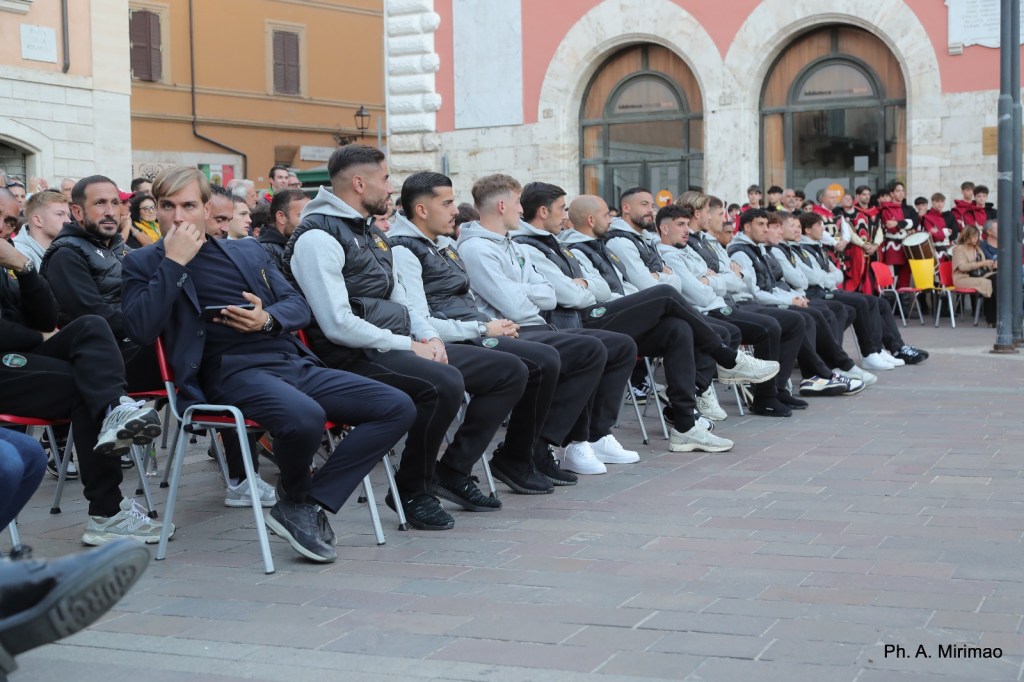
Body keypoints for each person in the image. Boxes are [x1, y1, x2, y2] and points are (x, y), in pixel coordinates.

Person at [121, 165, 415, 563]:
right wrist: (173, 263)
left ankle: (305, 504)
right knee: (305, 417)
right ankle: (297, 500)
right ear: (154, 209)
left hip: (289, 361)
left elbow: (297, 304)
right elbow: (140, 328)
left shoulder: (246, 249)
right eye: (167, 206)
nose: (178, 216)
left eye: (188, 205)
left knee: (395, 406)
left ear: (206, 209)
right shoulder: (143, 262)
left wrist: (268, 319)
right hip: (227, 371)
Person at [283, 146, 527, 529]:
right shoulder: (318, 238)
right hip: (346, 354)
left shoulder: (371, 235)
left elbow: (404, 300)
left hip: (391, 344)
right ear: (359, 183)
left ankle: (452, 471)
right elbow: (337, 326)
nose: (390, 187)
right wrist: (409, 345)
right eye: (385, 179)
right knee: (443, 383)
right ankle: (415, 489)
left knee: (508, 370)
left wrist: (430, 339)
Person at [519, 184, 778, 452]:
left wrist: (589, 286)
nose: (613, 219)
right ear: (592, 219)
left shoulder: (579, 245)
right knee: (664, 294)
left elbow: (608, 286)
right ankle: (728, 358)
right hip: (583, 320)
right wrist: (593, 288)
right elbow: (572, 295)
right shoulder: (558, 245)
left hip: (606, 309)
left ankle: (685, 425)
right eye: (608, 215)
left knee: (676, 329)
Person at [389, 171, 600, 490]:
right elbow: (419, 318)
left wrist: (485, 324)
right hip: (456, 336)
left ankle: (523, 453)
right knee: (534, 363)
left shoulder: (444, 245)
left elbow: (545, 293)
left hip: (477, 329)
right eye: (447, 203)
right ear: (421, 210)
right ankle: (486, 462)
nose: (455, 210)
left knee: (580, 350)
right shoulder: (406, 250)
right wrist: (483, 326)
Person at [0, 187, 166, 545]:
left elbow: (43, 316)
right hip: (7, 366)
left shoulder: (10, 259)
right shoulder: (67, 252)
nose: (4, 228)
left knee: (92, 327)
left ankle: (115, 409)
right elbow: (22, 331)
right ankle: (106, 512)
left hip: (25, 358)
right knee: (84, 386)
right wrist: (35, 338)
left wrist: (25, 268)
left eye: (11, 221)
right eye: (0, 218)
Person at [455, 173, 640, 476]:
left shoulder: (512, 244)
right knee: (587, 350)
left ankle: (593, 435)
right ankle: (544, 446)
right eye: (517, 202)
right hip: (512, 330)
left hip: (535, 325)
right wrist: (530, 293)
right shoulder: (477, 248)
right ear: (502, 205)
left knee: (620, 345)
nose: (521, 210)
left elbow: (549, 294)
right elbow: (516, 306)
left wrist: (527, 292)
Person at [728, 209, 864, 400]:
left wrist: (792, 297)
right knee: (804, 317)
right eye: (763, 225)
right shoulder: (743, 252)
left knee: (829, 311)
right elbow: (754, 291)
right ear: (747, 227)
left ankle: (822, 371)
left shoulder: (760, 249)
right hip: (747, 304)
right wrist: (789, 299)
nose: (769, 231)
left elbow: (777, 284)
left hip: (765, 300)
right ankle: (824, 371)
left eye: (770, 226)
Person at [794, 211, 928, 366]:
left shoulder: (817, 247)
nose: (823, 229)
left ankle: (895, 348)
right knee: (863, 302)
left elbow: (838, 274)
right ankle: (870, 352)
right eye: (819, 225)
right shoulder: (804, 249)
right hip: (819, 294)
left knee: (880, 303)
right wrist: (830, 278)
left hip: (827, 289)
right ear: (808, 230)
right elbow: (816, 278)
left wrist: (829, 278)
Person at [951, 225, 998, 325]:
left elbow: (983, 266)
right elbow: (962, 267)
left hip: (977, 275)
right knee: (987, 283)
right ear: (967, 236)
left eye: (977, 236)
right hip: (962, 278)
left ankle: (997, 314)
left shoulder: (977, 249)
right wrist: (982, 263)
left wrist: (991, 265)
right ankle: (991, 318)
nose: (977, 239)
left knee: (996, 278)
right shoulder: (959, 249)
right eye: (974, 237)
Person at [13, 190, 68, 269]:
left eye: (68, 215)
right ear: (38, 220)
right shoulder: (16, 253)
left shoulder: (66, 251)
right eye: (60, 214)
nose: (68, 221)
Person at [258, 189, 308, 272]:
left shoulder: (301, 242)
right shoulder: (266, 251)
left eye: (310, 215)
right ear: (281, 217)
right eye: (302, 215)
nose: (309, 221)